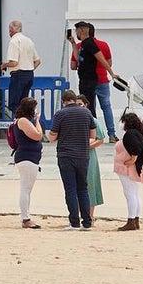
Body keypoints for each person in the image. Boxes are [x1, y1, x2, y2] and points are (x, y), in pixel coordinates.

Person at [48, 89, 97, 230]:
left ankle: (74, 222)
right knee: (83, 188)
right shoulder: (87, 113)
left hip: (66, 155)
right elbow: (92, 135)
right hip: (83, 155)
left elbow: (52, 137)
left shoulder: (60, 114)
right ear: (75, 100)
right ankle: (87, 222)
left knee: (70, 190)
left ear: (64, 102)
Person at [69, 21, 116, 117]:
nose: (76, 34)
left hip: (90, 80)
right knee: (89, 106)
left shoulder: (90, 44)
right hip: (84, 79)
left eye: (77, 31)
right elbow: (78, 58)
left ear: (81, 31)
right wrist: (73, 43)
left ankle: (93, 129)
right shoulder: (82, 45)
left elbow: (101, 59)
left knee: (89, 107)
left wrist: (112, 73)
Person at [113, 111, 143, 231]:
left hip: (128, 168)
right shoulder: (138, 133)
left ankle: (131, 220)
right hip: (131, 167)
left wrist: (132, 160)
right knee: (135, 194)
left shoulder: (131, 134)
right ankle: (135, 219)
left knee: (130, 194)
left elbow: (135, 150)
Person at [13, 96, 44, 229]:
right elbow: (38, 135)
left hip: (29, 157)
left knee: (27, 189)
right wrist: (37, 121)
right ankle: (25, 218)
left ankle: (26, 216)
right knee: (25, 189)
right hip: (27, 158)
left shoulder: (23, 121)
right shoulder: (24, 121)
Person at [1, 19, 40, 116]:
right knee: (24, 104)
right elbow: (38, 61)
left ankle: (18, 126)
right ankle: (25, 124)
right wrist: (28, 68)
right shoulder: (29, 40)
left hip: (18, 75)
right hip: (29, 74)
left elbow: (14, 62)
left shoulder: (14, 41)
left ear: (10, 29)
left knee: (15, 105)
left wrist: (4, 65)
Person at [79, 93, 106, 222]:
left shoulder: (92, 120)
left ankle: (90, 215)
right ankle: (80, 213)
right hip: (76, 155)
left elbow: (100, 139)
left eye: (80, 104)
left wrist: (88, 146)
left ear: (86, 105)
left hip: (89, 156)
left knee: (90, 184)